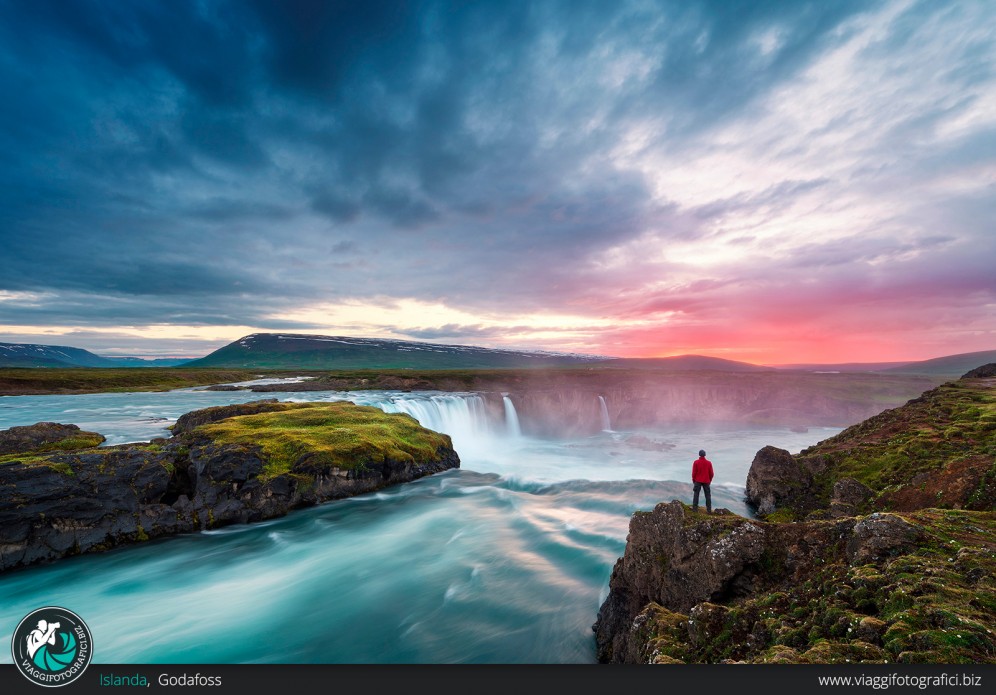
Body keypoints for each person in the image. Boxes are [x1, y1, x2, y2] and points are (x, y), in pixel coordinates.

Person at [692, 449, 714, 514]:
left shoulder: (696, 462)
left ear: (699, 455)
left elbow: (694, 473)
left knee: (696, 495)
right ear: (705, 455)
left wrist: (694, 480)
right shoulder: (709, 463)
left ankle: (695, 510)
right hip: (706, 481)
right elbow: (711, 473)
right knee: (708, 496)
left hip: (697, 481)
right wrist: (709, 480)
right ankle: (709, 510)